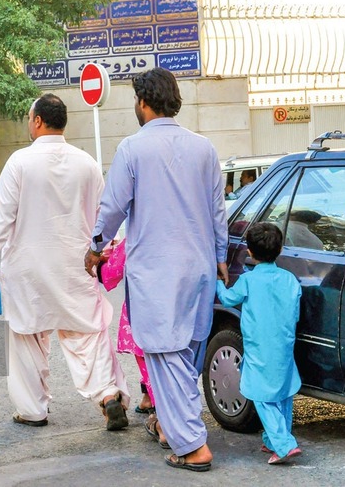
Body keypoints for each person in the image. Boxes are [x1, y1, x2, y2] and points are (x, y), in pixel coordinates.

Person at [84, 67, 228, 472]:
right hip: (199, 269)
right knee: (186, 354)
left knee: (164, 356)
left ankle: (193, 446)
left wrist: (95, 248)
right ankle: (173, 428)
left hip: (156, 274)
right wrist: (220, 258)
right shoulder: (204, 148)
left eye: (136, 99)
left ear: (144, 102)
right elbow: (219, 212)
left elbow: (112, 209)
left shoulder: (132, 149)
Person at [0, 93, 130, 431]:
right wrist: (108, 249)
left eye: (29, 119)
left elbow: (2, 214)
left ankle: (33, 410)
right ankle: (107, 394)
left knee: (26, 338)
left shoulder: (20, 162)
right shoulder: (86, 163)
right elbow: (104, 216)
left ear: (38, 121)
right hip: (76, 267)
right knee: (87, 334)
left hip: (28, 271)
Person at [215, 222, 303, 465]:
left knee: (260, 394)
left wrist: (217, 282)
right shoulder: (290, 280)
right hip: (284, 345)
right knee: (283, 393)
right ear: (280, 249)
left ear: (250, 252)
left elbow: (227, 298)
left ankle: (284, 444)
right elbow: (295, 313)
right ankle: (274, 439)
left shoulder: (248, 281)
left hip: (258, 347)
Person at [97, 239, 167, 447]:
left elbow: (110, 274)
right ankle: (154, 403)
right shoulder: (181, 233)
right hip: (177, 309)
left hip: (142, 311)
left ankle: (164, 423)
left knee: (148, 364)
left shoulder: (134, 239)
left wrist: (100, 260)